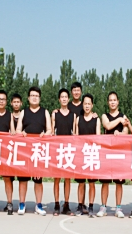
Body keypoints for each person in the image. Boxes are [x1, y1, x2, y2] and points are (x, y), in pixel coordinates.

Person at [15, 86, 52, 215]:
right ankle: (21, 204)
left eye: (36, 96)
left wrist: (44, 135)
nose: (34, 98)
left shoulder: (45, 112)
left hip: (39, 150)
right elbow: (17, 130)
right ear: (28, 98)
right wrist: (22, 133)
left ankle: (38, 205)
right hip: (25, 150)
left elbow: (49, 130)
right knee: (23, 179)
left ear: (40, 98)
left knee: (38, 180)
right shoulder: (24, 112)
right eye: (32, 95)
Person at [100, 91, 128, 218]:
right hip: (107, 153)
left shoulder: (123, 116)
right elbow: (107, 125)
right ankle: (103, 207)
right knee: (105, 182)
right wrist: (119, 120)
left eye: (114, 100)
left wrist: (120, 133)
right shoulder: (105, 116)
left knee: (119, 182)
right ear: (108, 102)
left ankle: (118, 208)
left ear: (118, 102)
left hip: (119, 154)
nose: (112, 102)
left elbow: (126, 132)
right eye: (110, 100)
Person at [74, 93, 101, 217]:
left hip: (92, 155)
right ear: (82, 105)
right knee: (81, 183)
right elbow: (75, 137)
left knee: (91, 183)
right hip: (81, 154)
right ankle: (80, 205)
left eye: (89, 104)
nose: (87, 106)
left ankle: (90, 207)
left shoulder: (96, 119)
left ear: (92, 105)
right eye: (85, 103)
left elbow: (98, 138)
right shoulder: (78, 119)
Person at [51, 88, 76, 216]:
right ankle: (56, 204)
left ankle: (66, 204)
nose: (64, 99)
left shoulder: (73, 115)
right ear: (59, 99)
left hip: (68, 150)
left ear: (68, 99)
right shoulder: (54, 114)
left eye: (66, 97)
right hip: (57, 149)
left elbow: (75, 134)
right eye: (62, 97)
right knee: (57, 179)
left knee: (67, 179)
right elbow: (51, 133)